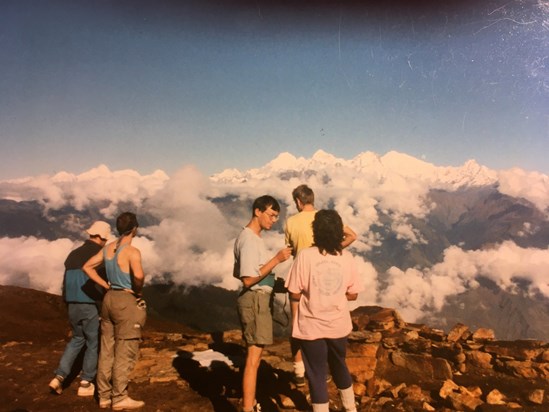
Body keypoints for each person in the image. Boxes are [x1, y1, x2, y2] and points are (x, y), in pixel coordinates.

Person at [285, 210, 363, 412]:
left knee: (317, 373)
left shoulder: (305, 256)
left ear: (315, 231)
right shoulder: (346, 257)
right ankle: (350, 408)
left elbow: (294, 292)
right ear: (339, 232)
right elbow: (353, 294)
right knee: (340, 365)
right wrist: (335, 295)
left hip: (311, 326)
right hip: (338, 324)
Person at [233, 195, 292, 412]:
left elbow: (241, 272)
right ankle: (248, 407)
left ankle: (249, 403)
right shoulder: (249, 239)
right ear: (257, 211)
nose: (273, 220)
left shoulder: (251, 237)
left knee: (254, 357)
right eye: (271, 214)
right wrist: (276, 260)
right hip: (255, 301)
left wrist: (275, 283)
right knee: (254, 359)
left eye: (276, 216)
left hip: (257, 298)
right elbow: (248, 279)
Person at [83, 212, 146, 410]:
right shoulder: (132, 252)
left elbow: (87, 267)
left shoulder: (109, 248)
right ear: (134, 229)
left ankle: (103, 396)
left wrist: (107, 286)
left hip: (108, 300)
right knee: (125, 349)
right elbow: (138, 276)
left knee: (107, 349)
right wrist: (138, 291)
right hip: (125, 301)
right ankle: (119, 397)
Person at [49, 221, 111, 397]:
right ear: (102, 237)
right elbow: (100, 285)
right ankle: (86, 382)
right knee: (93, 342)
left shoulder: (72, 255)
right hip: (89, 304)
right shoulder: (99, 255)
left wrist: (66, 302)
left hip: (72, 303)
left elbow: (65, 284)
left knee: (77, 339)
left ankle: (59, 377)